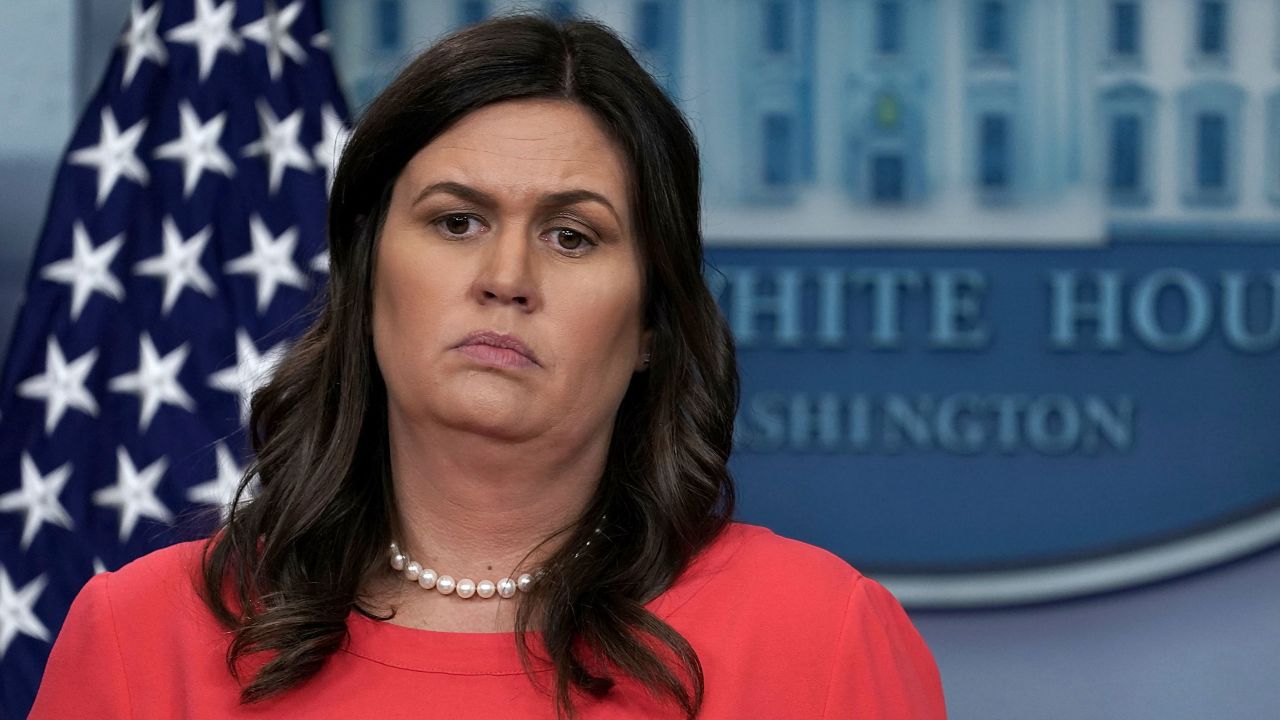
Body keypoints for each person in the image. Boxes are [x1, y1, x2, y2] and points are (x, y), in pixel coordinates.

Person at [31, 15, 945, 719]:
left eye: (573, 236)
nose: (506, 279)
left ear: (652, 327)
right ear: (365, 273)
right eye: (456, 221)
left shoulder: (818, 639)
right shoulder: (140, 638)